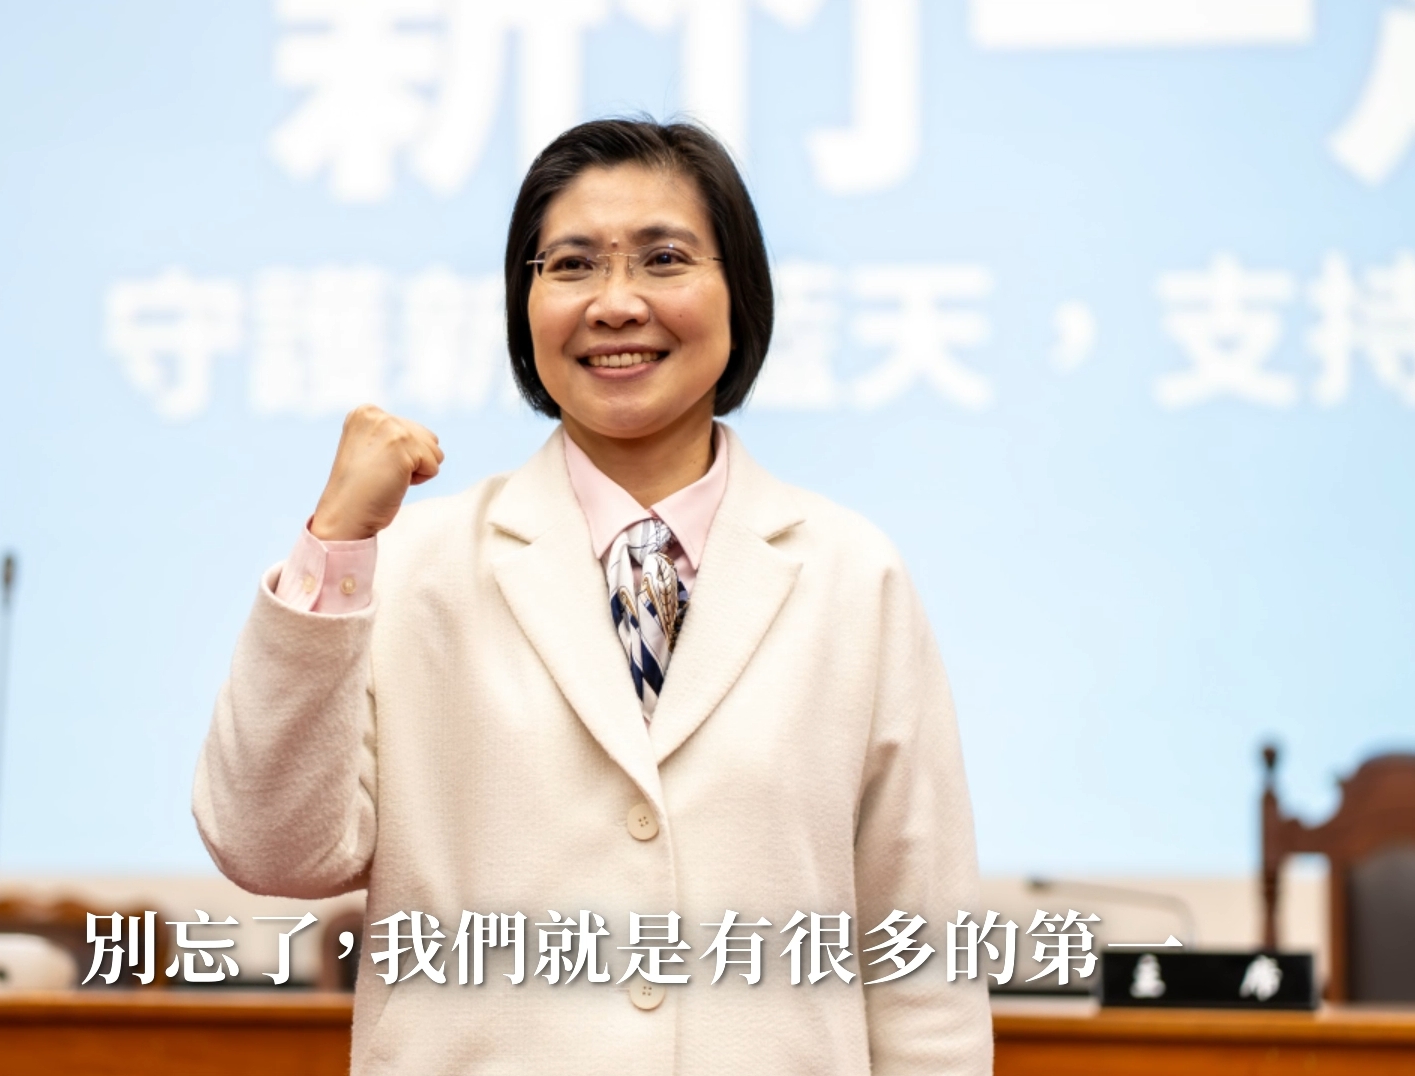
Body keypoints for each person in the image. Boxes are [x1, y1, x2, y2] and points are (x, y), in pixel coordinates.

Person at [193, 118, 991, 1075]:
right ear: (524, 304)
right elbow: (270, 851)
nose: (616, 304)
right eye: (572, 265)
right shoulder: (407, 570)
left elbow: (923, 960)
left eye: (664, 259)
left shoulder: (853, 576)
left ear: (741, 289)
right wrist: (334, 544)